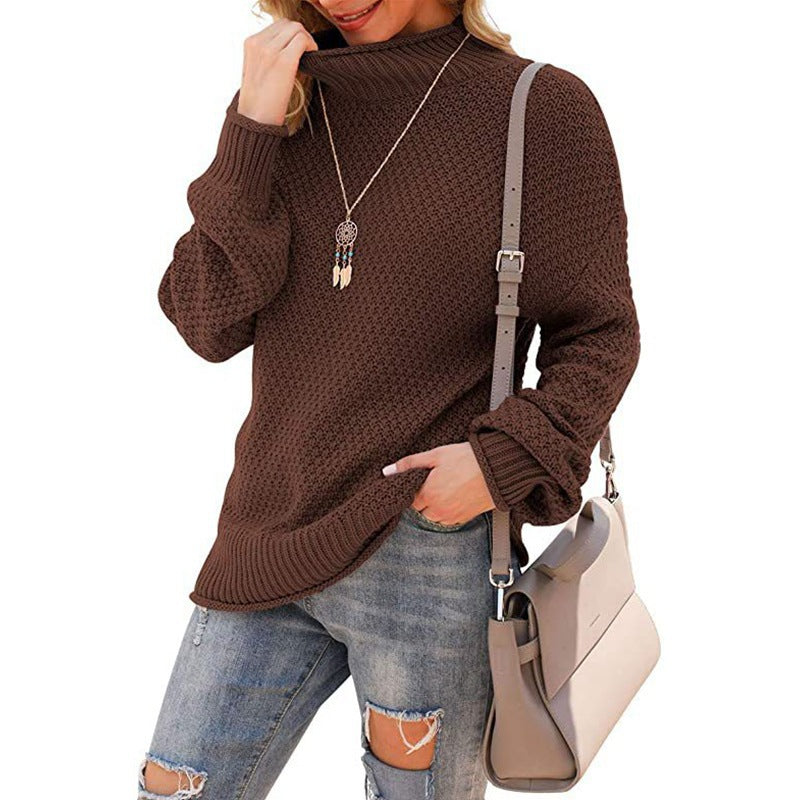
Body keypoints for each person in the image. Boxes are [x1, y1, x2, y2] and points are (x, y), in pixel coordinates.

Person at [139, 1, 640, 798]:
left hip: (426, 549)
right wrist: (252, 128)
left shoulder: (539, 107)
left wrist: (498, 463)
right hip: (267, 532)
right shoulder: (289, 106)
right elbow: (207, 322)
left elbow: (601, 333)